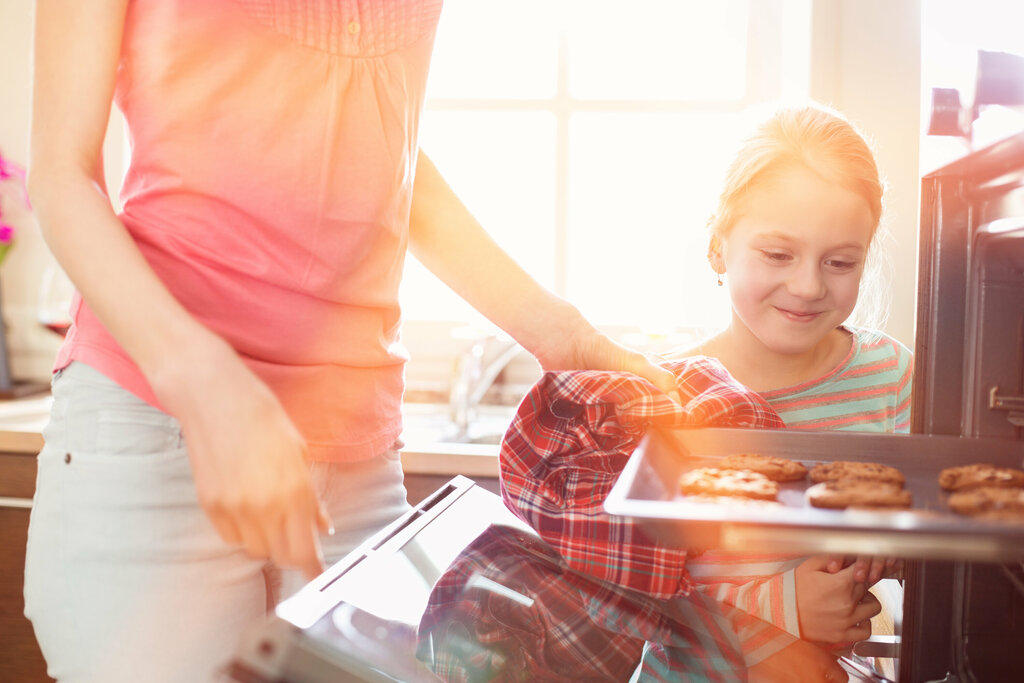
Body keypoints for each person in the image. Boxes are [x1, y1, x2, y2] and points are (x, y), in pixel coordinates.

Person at [23, 2, 681, 682]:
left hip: (355, 455)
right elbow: (63, 172)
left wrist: (558, 332)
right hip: (156, 434)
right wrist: (203, 382)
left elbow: (389, 152)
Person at [667, 102, 913, 652]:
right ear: (716, 248)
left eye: (840, 262)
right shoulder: (667, 396)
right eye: (779, 253)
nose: (807, 286)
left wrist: (894, 544)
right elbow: (634, 589)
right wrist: (782, 609)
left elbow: (932, 535)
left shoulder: (891, 375)